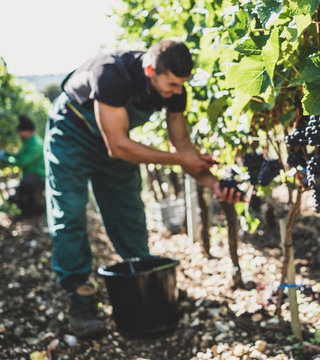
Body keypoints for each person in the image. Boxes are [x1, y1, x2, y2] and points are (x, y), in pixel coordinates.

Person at [45, 38, 242, 338]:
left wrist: (215, 184)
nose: (179, 92)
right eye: (173, 84)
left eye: (182, 85)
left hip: (117, 141)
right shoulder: (110, 74)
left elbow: (183, 147)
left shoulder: (175, 91)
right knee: (70, 213)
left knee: (129, 215)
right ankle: (79, 298)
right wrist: (179, 159)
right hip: (73, 135)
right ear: (151, 69)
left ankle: (143, 286)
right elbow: (119, 146)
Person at [0, 115, 46, 217]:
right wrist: (6, 154)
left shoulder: (37, 145)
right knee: (22, 189)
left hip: (39, 178)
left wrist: (5, 158)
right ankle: (28, 211)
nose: (19, 134)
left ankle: (38, 210)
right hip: (30, 176)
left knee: (25, 186)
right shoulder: (28, 142)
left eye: (20, 132)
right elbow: (19, 156)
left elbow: (22, 162)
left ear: (28, 131)